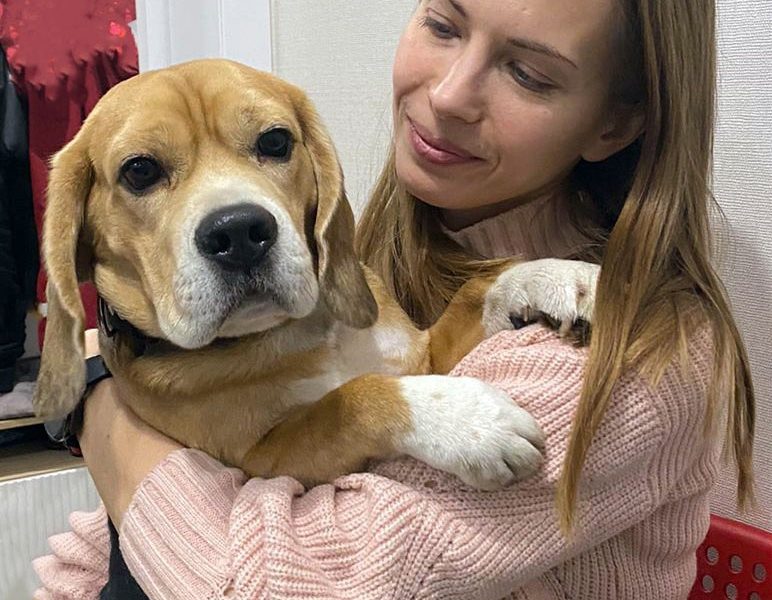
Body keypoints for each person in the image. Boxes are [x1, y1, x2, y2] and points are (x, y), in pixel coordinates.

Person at [33, 0, 755, 598]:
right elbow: (131, 525)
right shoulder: (392, 261)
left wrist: (99, 409)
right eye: (443, 24)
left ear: (614, 122)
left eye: (529, 73)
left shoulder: (633, 355)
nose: (448, 94)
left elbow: (275, 583)